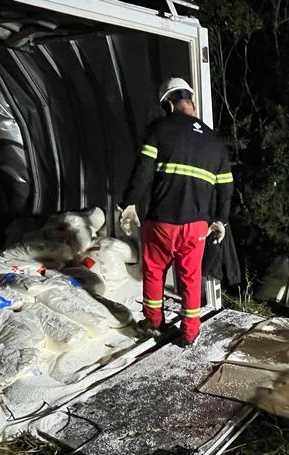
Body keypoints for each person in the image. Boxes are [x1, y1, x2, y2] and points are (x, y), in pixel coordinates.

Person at [120, 78, 233, 346]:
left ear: (168, 104)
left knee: (154, 271)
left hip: (162, 221)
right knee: (191, 278)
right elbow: (227, 187)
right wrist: (220, 220)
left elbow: (143, 171)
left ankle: (153, 321)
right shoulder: (215, 142)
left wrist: (129, 203)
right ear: (191, 103)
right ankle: (190, 332)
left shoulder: (160, 130)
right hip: (196, 226)